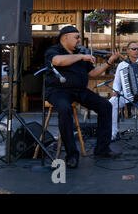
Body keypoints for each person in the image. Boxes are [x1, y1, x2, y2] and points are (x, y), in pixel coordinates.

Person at [44, 26, 121, 169]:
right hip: (58, 91)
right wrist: (81, 56)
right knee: (65, 110)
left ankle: (102, 149)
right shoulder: (54, 51)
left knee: (106, 106)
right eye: (76, 37)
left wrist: (109, 62)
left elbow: (92, 74)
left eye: (79, 37)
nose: (79, 40)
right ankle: (72, 155)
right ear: (65, 37)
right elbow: (58, 62)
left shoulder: (80, 53)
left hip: (79, 90)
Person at [109, 41, 138, 141]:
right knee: (112, 102)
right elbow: (117, 82)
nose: (136, 51)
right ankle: (113, 132)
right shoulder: (122, 65)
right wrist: (116, 91)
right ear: (128, 51)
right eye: (134, 49)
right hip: (126, 95)